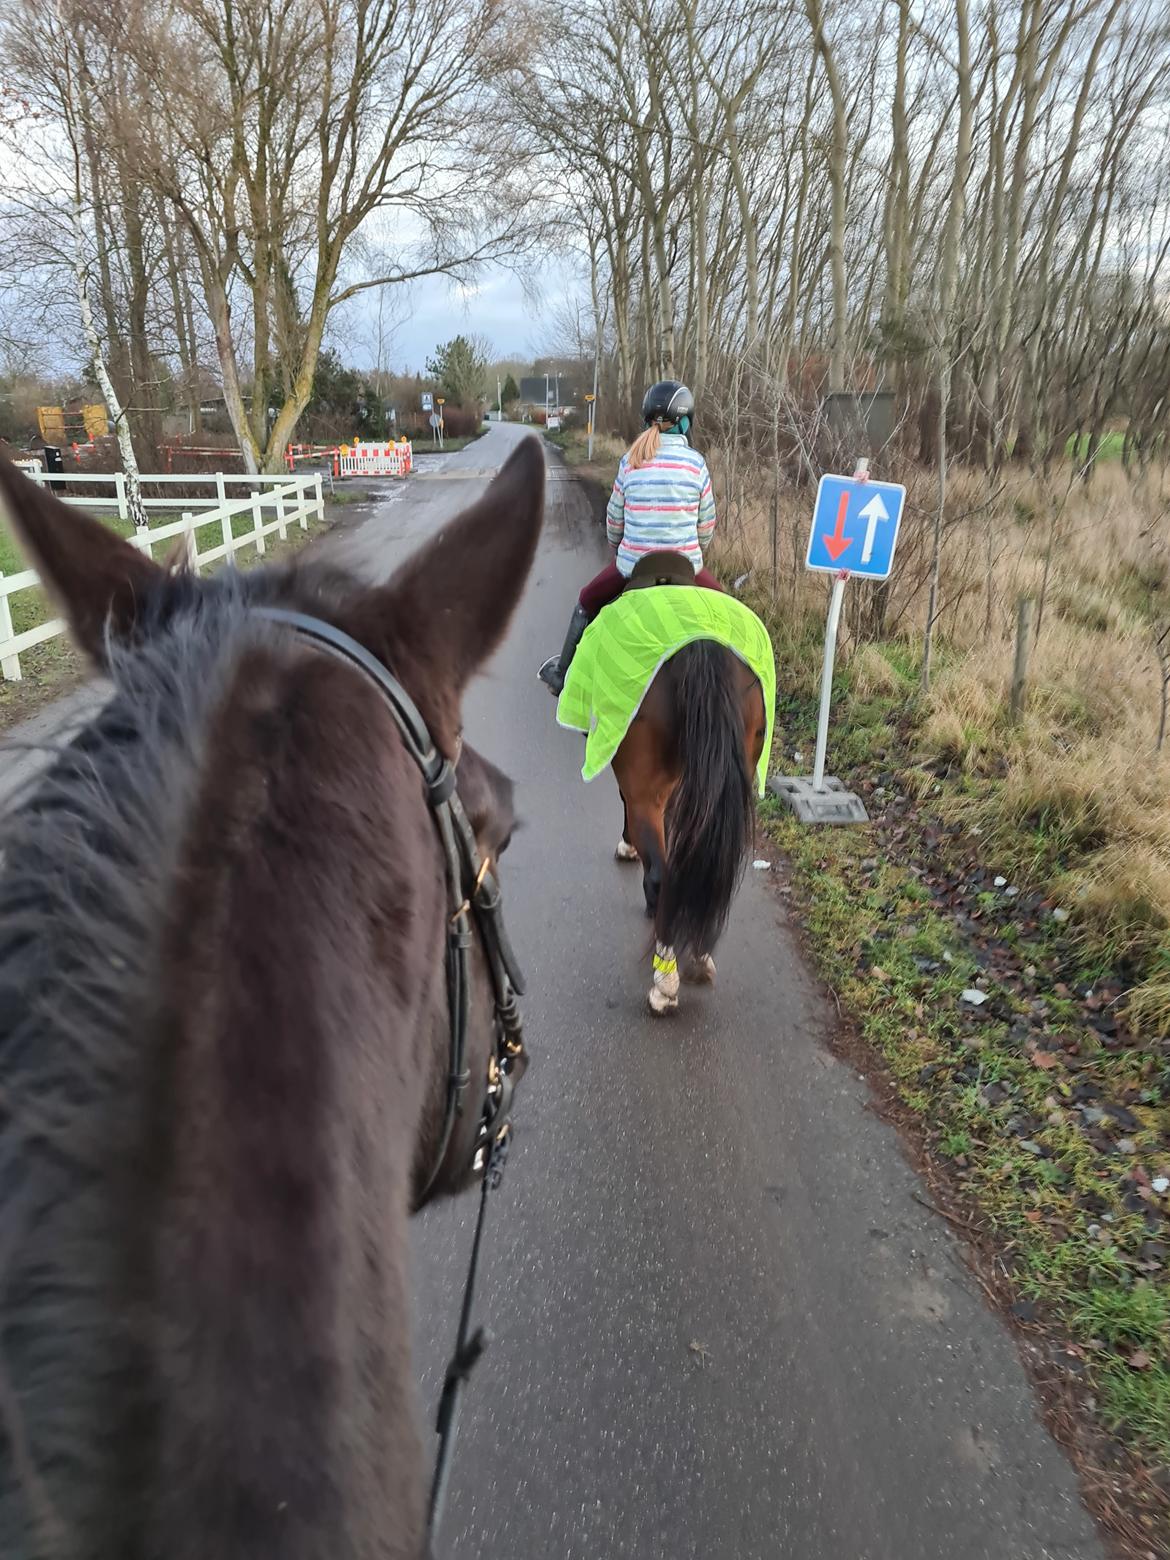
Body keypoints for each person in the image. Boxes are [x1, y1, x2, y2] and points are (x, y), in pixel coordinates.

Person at [538, 380, 723, 695]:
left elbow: (614, 521)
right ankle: (731, 679)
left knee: (586, 600)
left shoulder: (630, 461)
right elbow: (707, 525)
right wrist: (695, 552)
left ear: (647, 420)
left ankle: (562, 674)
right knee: (725, 608)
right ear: (686, 421)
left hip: (633, 568)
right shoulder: (696, 464)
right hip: (686, 568)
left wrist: (619, 551)